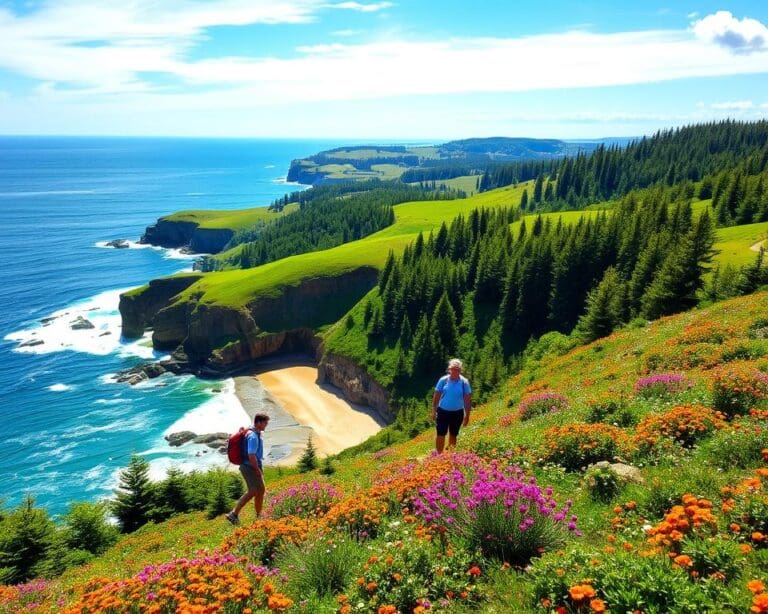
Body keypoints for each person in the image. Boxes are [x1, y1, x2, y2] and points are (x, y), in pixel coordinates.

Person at [226, 413, 269, 525]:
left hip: (249, 465)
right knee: (254, 490)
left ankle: (259, 515)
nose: (266, 425)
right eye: (265, 423)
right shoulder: (253, 436)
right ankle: (234, 514)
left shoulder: (252, 431)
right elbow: (251, 455)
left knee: (260, 490)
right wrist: (257, 469)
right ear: (258, 422)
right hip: (250, 466)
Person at [431, 358, 472, 453]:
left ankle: (450, 456)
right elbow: (436, 396)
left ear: (460, 370)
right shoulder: (443, 380)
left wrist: (467, 416)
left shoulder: (464, 382)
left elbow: (467, 401)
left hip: (457, 413)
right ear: (449, 369)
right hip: (442, 412)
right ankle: (439, 456)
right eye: (452, 369)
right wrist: (433, 410)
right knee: (441, 433)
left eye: (457, 369)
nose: (454, 371)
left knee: (453, 435)